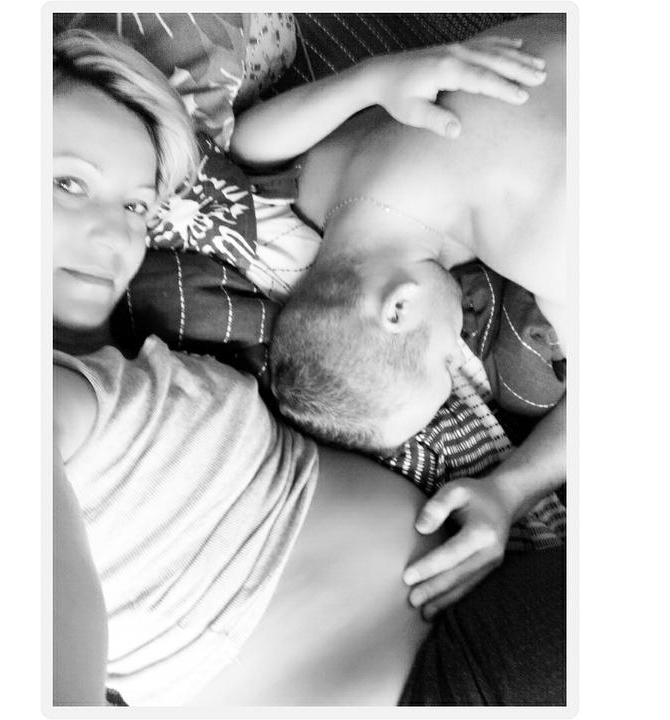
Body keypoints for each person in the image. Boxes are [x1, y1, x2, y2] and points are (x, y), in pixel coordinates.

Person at [52, 28, 558, 706]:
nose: (118, 234)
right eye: (66, 181)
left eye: (137, 205)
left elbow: (245, 154)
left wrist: (509, 490)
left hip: (486, 589)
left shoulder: (144, 313)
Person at [231, 14, 568, 617]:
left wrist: (510, 490)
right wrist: (372, 77)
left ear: (399, 307)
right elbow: (243, 146)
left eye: (445, 360)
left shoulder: (545, 248)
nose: (463, 342)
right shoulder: (318, 176)